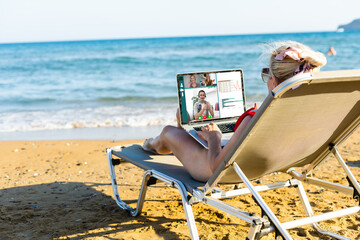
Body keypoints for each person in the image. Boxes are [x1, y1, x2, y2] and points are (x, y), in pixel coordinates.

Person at [143, 41, 327, 182]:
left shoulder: (254, 120)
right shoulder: (304, 114)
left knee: (169, 131)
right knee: (182, 118)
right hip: (261, 165)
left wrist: (214, 137)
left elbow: (216, 165)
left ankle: (152, 145)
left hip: (210, 169)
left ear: (274, 81)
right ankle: (179, 140)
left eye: (267, 76)